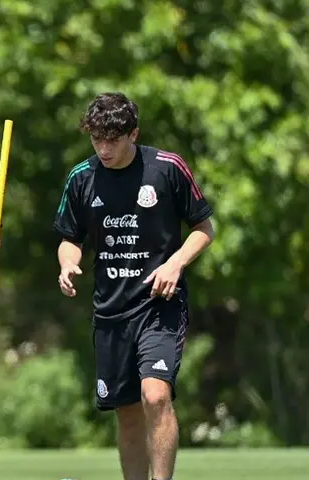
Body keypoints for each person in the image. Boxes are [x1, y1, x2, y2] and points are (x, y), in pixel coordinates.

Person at [53, 92, 214, 480]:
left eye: (113, 140)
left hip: (160, 305)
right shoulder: (81, 177)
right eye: (96, 139)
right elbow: (69, 238)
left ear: (134, 134)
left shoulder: (167, 169)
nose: (104, 149)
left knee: (155, 396)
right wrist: (68, 263)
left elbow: (204, 228)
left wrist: (175, 263)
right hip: (111, 311)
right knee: (126, 413)